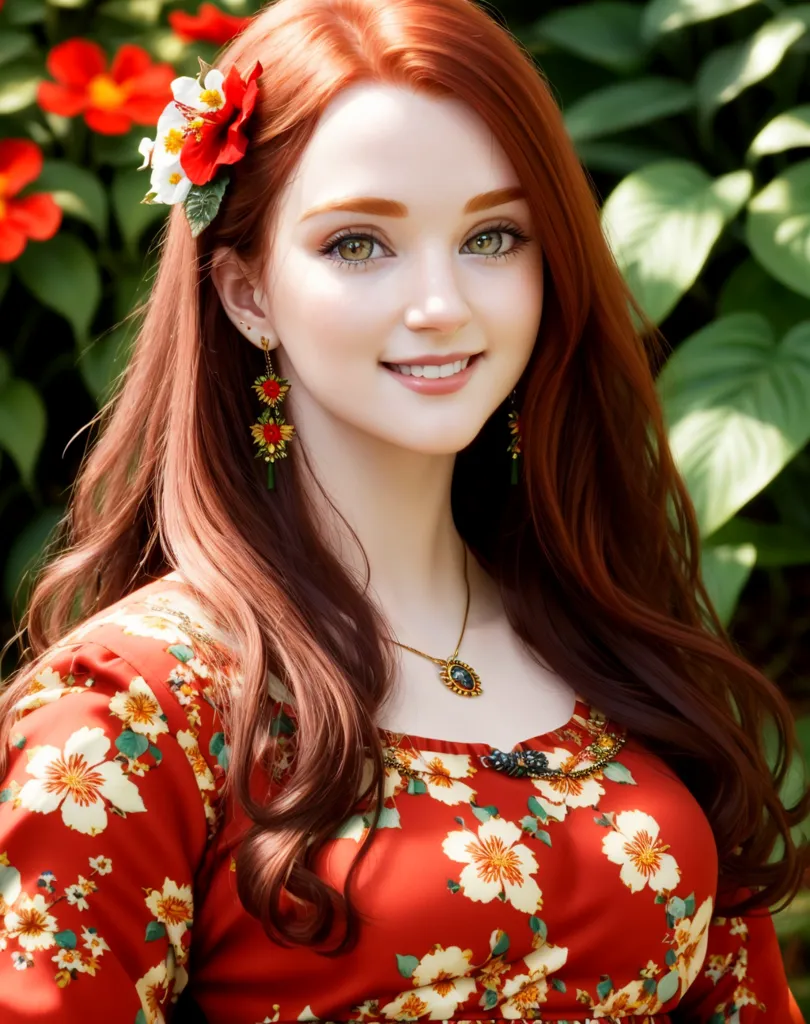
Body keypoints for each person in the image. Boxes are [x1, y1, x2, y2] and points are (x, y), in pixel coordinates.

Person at [0, 0, 807, 1020]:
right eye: (358, 245)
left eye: (494, 235)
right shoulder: (138, 709)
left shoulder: (611, 644)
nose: (441, 302)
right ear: (247, 292)